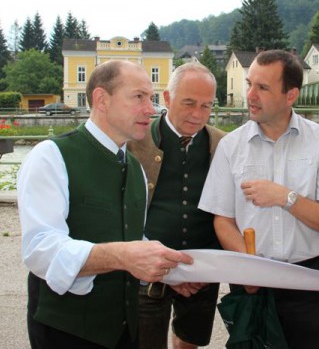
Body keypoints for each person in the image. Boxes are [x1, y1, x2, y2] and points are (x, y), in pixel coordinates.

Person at [18, 60, 193, 349]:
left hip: (126, 331)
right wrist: (122, 256)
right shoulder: (51, 156)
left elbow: (131, 237)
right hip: (65, 333)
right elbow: (40, 249)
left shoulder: (136, 169)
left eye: (150, 98)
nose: (151, 109)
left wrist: (168, 271)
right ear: (102, 99)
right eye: (139, 97)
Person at [198, 49, 319, 349]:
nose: (250, 95)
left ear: (290, 95)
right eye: (249, 83)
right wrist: (249, 267)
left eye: (263, 87)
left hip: (311, 280)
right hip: (253, 281)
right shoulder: (231, 146)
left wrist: (286, 198)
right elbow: (223, 220)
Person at [127, 62, 225, 349]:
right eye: (189, 103)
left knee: (190, 340)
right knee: (145, 340)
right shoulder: (135, 141)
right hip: (147, 267)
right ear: (167, 98)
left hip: (202, 268)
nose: (198, 115)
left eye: (206, 106)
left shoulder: (223, 144)